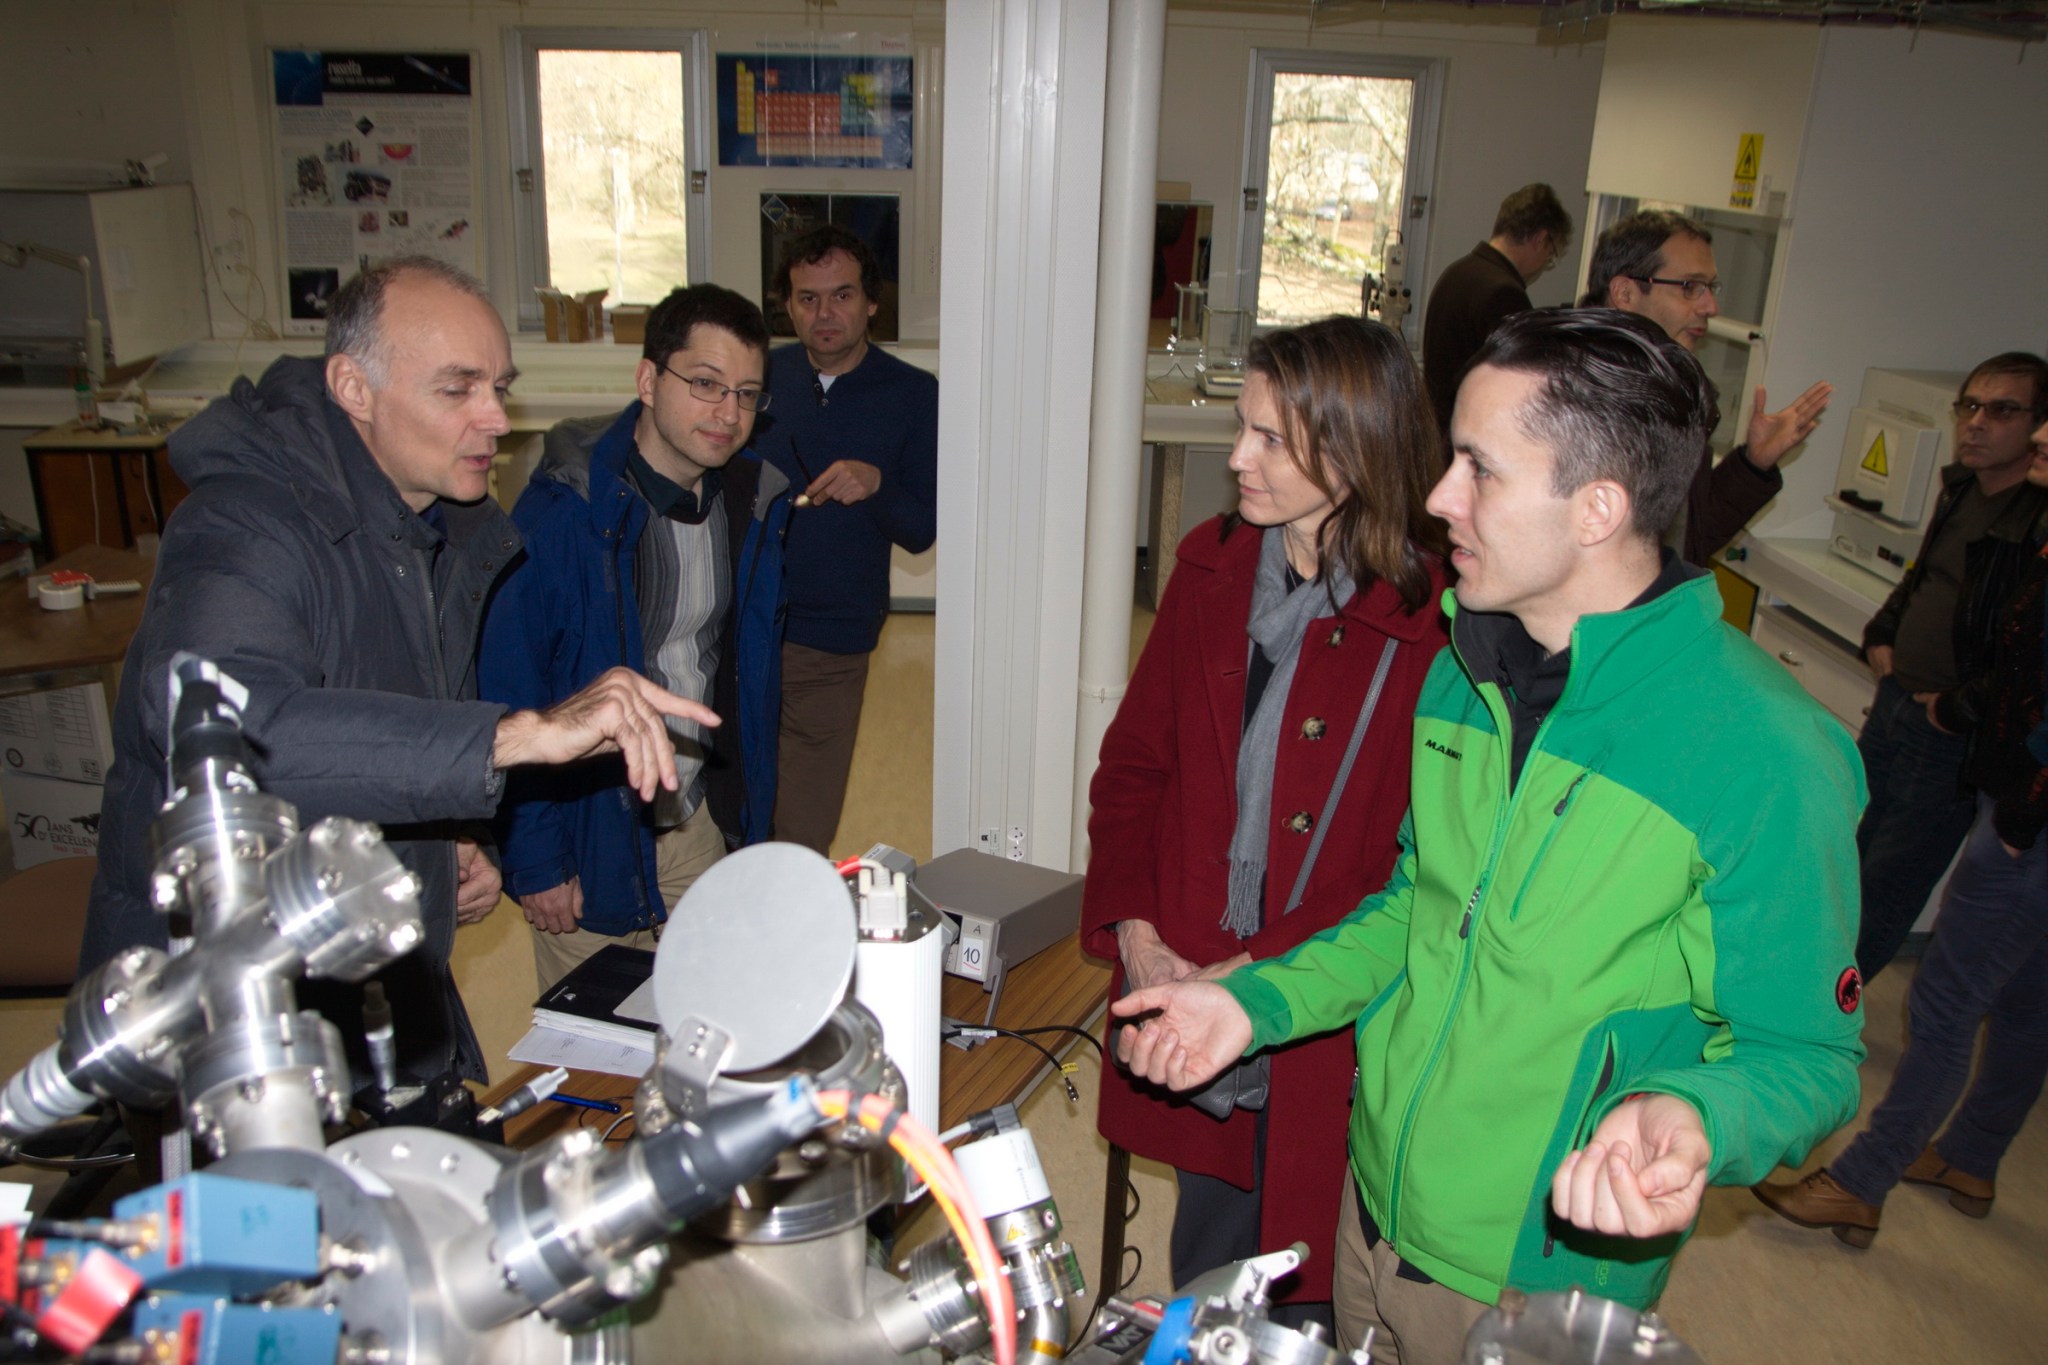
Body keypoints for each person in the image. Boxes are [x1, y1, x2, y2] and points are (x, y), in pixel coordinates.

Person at [1111, 309, 1865, 1364]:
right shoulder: (1469, 673)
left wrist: (1695, 1111)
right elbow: (1410, 917)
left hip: (1533, 1273)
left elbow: (1809, 1055)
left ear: (1596, 508)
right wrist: (1251, 1005)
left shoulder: (1764, 750)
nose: (1433, 497)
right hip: (1365, 1218)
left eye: (1477, 469)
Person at [81, 256, 717, 1085]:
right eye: (457, 390)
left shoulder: (436, 529)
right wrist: (515, 736)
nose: (496, 418)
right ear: (353, 387)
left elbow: (377, 734)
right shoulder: (242, 523)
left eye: (500, 385)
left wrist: (446, 842)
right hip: (227, 1015)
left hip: (360, 969)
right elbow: (238, 737)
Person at [1082, 317, 1449, 1323]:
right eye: (1240, 428)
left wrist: (1256, 976)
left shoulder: (1434, 619)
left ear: (1356, 449)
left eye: (1270, 440)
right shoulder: (1209, 563)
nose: (1236, 458)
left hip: (1331, 1009)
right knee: (1209, 1270)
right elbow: (1133, 770)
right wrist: (1141, 939)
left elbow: (1411, 865)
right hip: (1186, 967)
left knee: (1311, 1286)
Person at [1754, 411, 2048, 1246]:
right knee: (2026, 1002)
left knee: (1947, 996)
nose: (2034, 436)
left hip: (2024, 812)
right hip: (2009, 792)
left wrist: (2022, 810)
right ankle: (1972, 1154)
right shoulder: (1988, 505)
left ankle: (1861, 1177)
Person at [478, 286, 792, 992]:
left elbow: (742, 678)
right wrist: (537, 860)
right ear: (648, 380)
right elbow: (510, 689)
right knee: (600, 1053)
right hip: (590, 834)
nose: (728, 413)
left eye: (746, 394)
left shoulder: (750, 504)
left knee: (711, 1020)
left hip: (695, 817)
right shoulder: (564, 514)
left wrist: (746, 814)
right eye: (705, 384)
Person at [1853, 353, 2048, 981]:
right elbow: (1923, 577)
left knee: (1887, 885)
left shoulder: (2036, 519)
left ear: (2039, 424)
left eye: (2002, 410)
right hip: (1894, 704)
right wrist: (1883, 631)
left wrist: (1956, 709)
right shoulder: (1962, 486)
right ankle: (1800, 996)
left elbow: (2025, 656)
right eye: (1969, 406)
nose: (1976, 423)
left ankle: (1828, 1024)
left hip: (1945, 737)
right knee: (1843, 860)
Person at [751, 225, 937, 855]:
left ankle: (791, 944)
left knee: (800, 829)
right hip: (735, 631)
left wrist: (877, 483)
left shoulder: (914, 395)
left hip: (830, 641)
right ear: (787, 305)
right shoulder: (757, 377)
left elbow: (920, 531)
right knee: (732, 818)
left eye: (842, 296)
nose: (824, 314)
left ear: (871, 304)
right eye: (807, 298)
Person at [1584, 209, 1833, 564]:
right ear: (1625, 292)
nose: (1710, 306)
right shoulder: (1564, 388)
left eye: (1710, 287)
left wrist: (1752, 465)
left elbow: (1685, 542)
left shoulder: (1676, 394)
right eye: (1690, 287)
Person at [1421, 182, 1573, 432]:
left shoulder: (1457, 271)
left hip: (1441, 427)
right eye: (1551, 253)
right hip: (1471, 430)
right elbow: (1516, 383)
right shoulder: (1505, 294)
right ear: (1540, 239)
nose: (1546, 263)